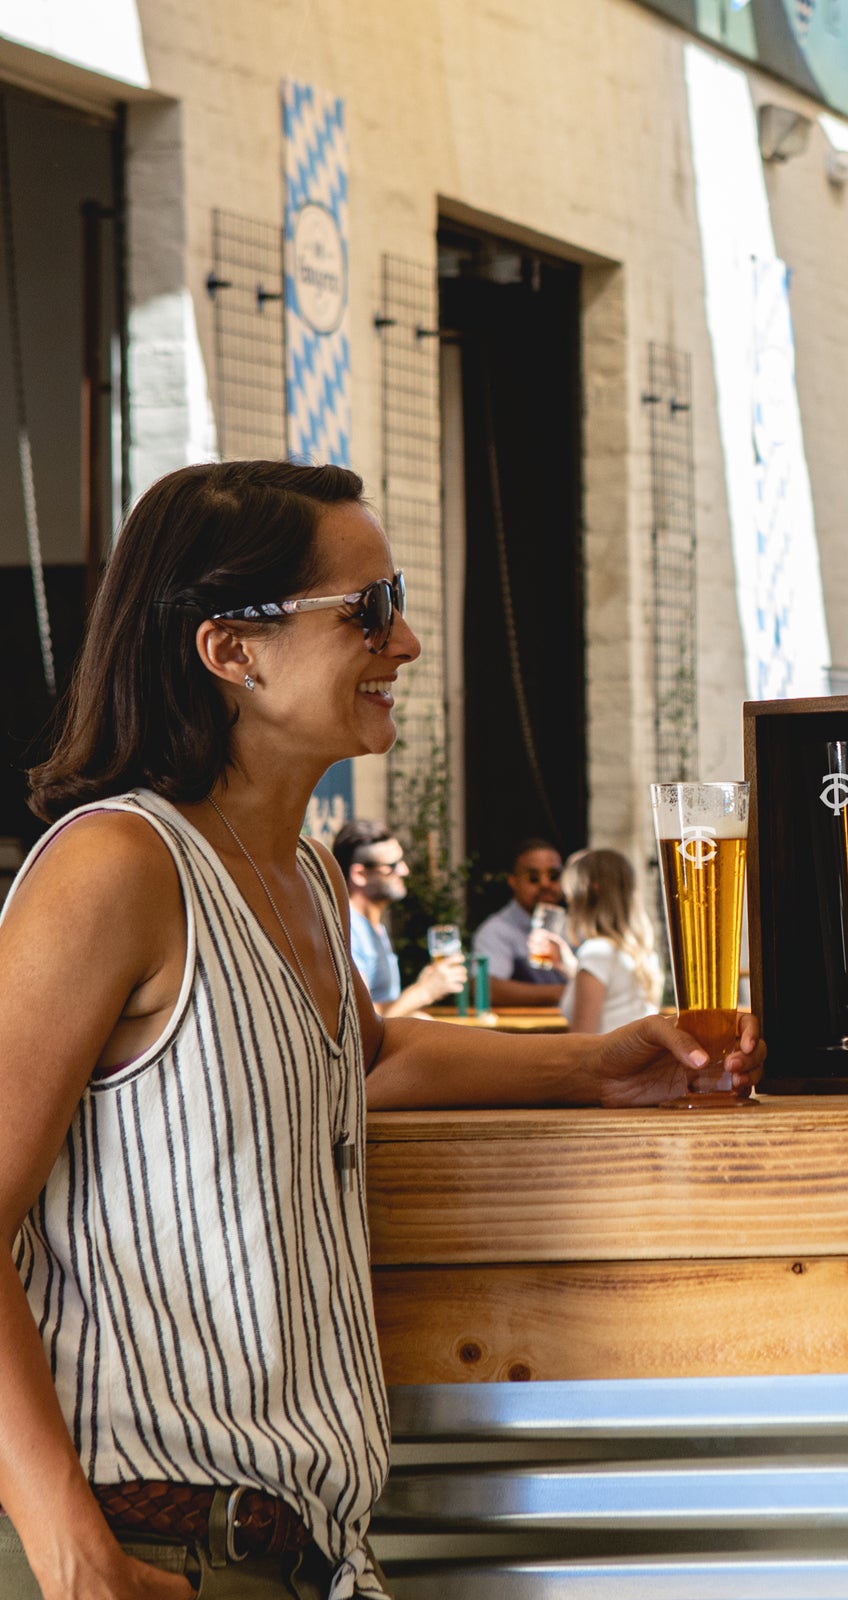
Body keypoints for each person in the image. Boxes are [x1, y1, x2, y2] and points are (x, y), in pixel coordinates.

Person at [0, 461, 763, 1599]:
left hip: (294, 1552)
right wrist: (70, 1552)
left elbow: (374, 1058)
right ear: (231, 651)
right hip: (147, 1542)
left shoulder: (299, 868)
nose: (403, 641)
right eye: (368, 608)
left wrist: (604, 1064)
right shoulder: (116, 865)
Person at [332, 818, 466, 1019]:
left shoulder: (372, 925)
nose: (404, 871)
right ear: (360, 874)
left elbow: (381, 1007)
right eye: (392, 866)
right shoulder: (348, 929)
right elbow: (360, 1022)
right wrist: (423, 992)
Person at [553, 847, 662, 1034]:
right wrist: (568, 966)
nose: (569, 902)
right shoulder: (643, 953)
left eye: (571, 893)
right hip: (636, 1061)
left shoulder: (596, 952)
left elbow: (581, 1045)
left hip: (607, 1063)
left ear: (590, 892)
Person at [471, 838, 571, 1007]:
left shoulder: (576, 926)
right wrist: (564, 993)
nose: (545, 884)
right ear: (513, 881)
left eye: (553, 876)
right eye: (533, 878)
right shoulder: (496, 930)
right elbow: (486, 987)